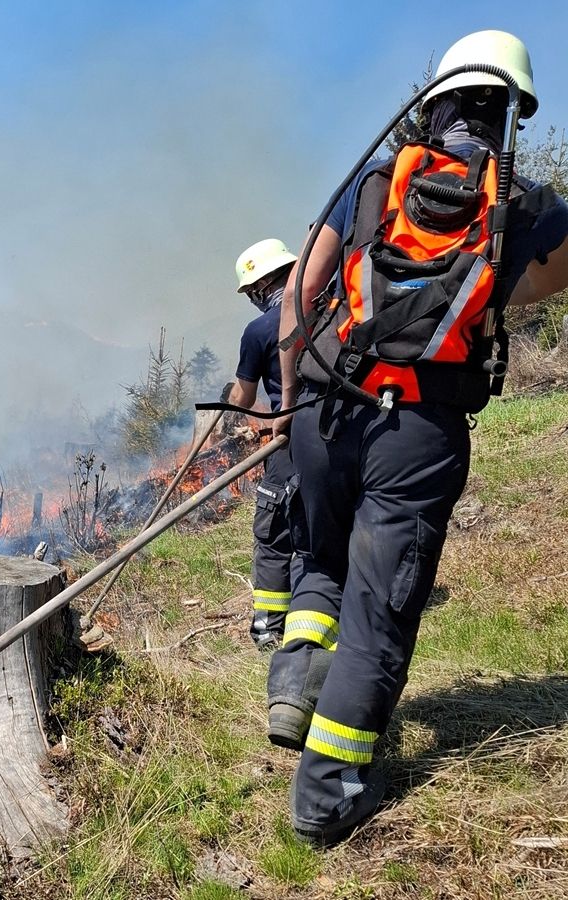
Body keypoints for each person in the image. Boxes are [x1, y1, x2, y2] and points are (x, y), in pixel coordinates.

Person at [267, 30, 568, 847]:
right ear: (510, 111)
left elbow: (300, 293)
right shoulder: (527, 208)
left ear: (430, 105)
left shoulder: (370, 182)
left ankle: (292, 688)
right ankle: (327, 799)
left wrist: (290, 397)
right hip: (419, 432)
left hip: (324, 415)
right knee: (378, 615)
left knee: (320, 561)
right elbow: (539, 286)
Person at [227, 239, 299, 649]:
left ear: (264, 283)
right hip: (342, 433)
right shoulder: (333, 308)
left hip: (288, 440)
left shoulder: (259, 331)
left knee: (272, 532)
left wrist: (229, 412)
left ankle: (269, 629)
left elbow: (243, 397)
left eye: (252, 289)